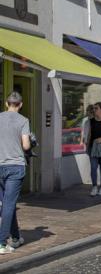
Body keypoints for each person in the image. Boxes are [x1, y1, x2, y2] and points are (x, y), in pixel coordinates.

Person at [0, 92, 31, 254]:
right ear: (20, 104)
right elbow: (26, 146)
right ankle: (2, 242)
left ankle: (16, 237)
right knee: (9, 204)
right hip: (16, 166)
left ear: (7, 104)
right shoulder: (23, 120)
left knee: (6, 204)